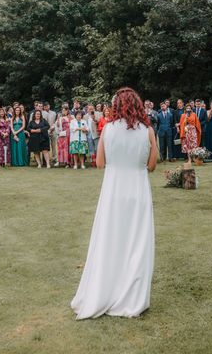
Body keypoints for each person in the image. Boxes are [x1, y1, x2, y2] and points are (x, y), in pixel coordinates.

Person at [71, 87, 156, 319]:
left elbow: (99, 163)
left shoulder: (107, 129)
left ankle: (106, 290)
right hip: (138, 190)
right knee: (137, 243)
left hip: (113, 190)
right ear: (138, 105)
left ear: (116, 106)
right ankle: (132, 296)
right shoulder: (148, 130)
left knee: (111, 240)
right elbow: (152, 165)